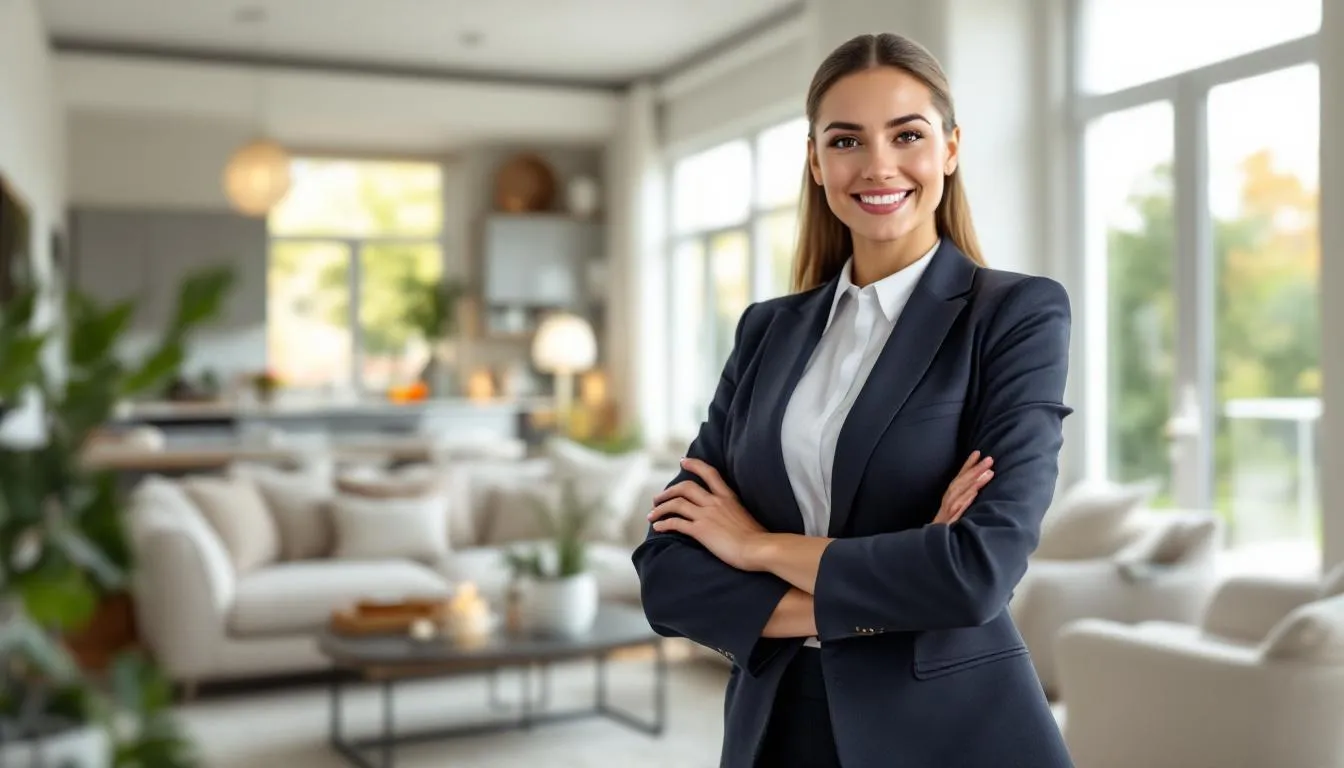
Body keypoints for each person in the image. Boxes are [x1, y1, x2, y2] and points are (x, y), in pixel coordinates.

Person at [632, 32, 1075, 768]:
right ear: (814, 160)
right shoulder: (768, 329)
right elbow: (669, 573)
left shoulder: (1016, 315)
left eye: (908, 134)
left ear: (951, 148)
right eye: (846, 141)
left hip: (948, 734)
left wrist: (756, 547)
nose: (878, 166)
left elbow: (973, 574)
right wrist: (891, 592)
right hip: (774, 730)